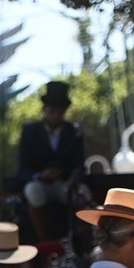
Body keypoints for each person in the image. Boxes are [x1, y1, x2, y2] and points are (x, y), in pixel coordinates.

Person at [18, 81, 86, 241]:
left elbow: (80, 164)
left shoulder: (74, 132)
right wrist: (39, 176)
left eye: (59, 111)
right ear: (44, 110)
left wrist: (73, 178)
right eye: (52, 111)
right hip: (41, 185)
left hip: (65, 185)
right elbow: (22, 168)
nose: (55, 115)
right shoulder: (30, 132)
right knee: (33, 190)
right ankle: (46, 240)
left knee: (83, 195)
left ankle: (82, 241)